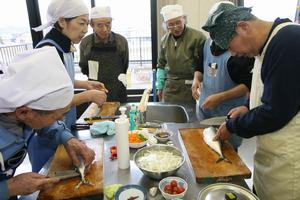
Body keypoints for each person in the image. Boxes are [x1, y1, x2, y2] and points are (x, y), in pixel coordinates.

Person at [202, 2, 300, 200]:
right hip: (270, 156)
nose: (234, 54)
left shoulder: (289, 42)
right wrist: (247, 108)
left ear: (243, 27)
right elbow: (274, 92)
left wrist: (233, 125)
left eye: (231, 47)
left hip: (290, 163)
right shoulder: (264, 47)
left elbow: (275, 112)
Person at [0, 47, 95, 200]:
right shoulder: (24, 115)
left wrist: (67, 138)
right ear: (24, 112)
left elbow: (43, 122)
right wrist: (9, 188)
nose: (61, 121)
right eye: (57, 117)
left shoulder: (21, 113)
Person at [29, 0, 107, 172]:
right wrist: (89, 96)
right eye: (81, 23)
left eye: (87, 24)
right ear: (62, 21)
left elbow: (61, 81)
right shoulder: (47, 51)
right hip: (47, 136)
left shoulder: (64, 46)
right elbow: (48, 103)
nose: (85, 29)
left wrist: (85, 84)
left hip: (63, 126)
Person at [192, 37, 254, 149]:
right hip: (205, 112)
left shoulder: (238, 52)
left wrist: (221, 97)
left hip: (228, 115)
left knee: (228, 152)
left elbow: (247, 85)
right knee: (207, 148)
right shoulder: (206, 44)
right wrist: (196, 79)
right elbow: (200, 68)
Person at [156, 4, 206, 103]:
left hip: (191, 86)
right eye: (170, 24)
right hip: (170, 88)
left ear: (184, 20)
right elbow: (161, 65)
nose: (175, 27)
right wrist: (160, 86)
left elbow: (202, 65)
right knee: (170, 116)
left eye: (178, 22)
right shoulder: (164, 40)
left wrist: (199, 81)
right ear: (166, 25)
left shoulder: (198, 37)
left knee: (191, 116)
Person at [79, 6, 129, 103]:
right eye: (100, 25)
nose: (105, 29)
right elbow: (84, 67)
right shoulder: (86, 43)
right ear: (92, 25)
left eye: (108, 24)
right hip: (95, 90)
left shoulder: (121, 41)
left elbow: (125, 65)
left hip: (118, 90)